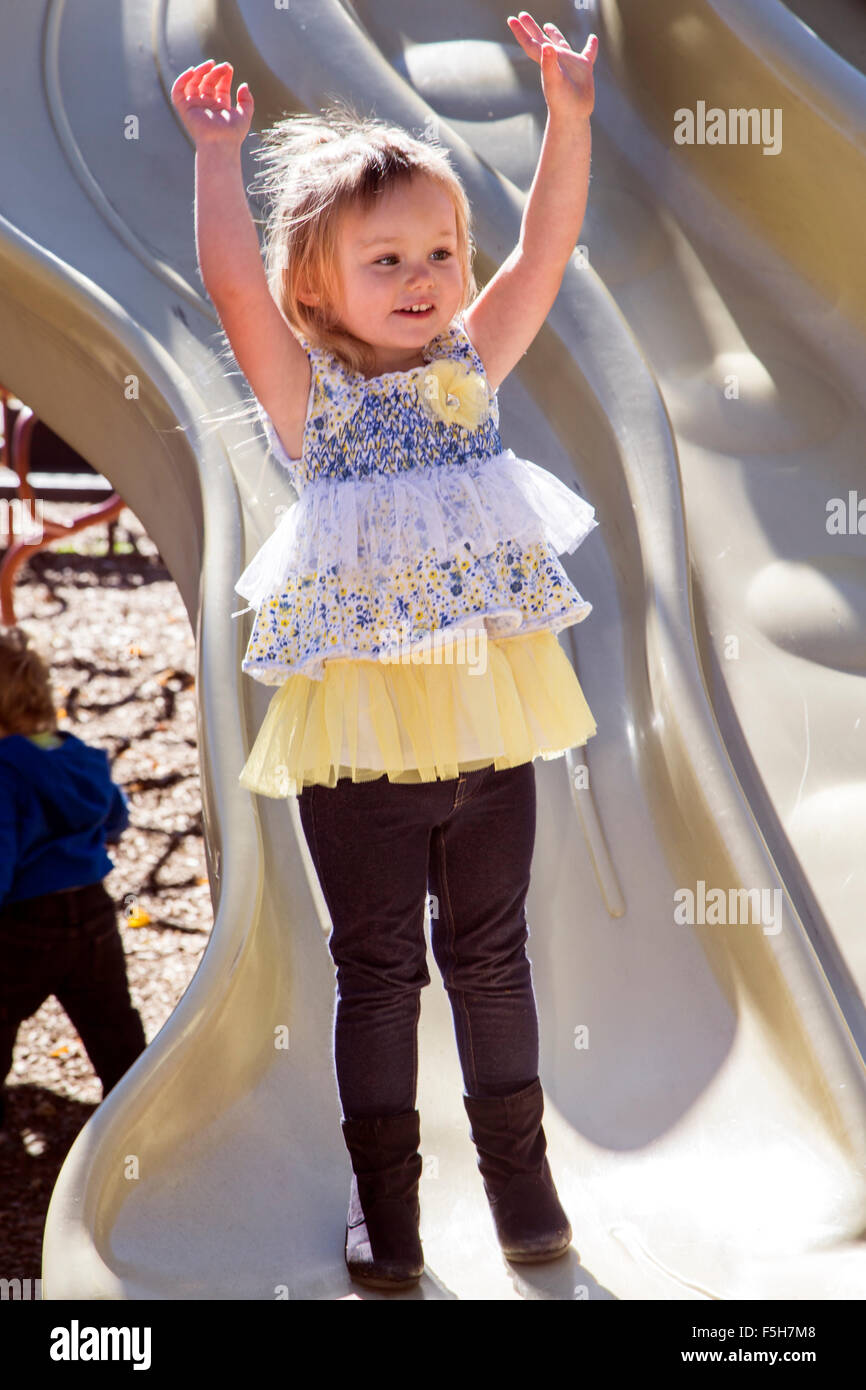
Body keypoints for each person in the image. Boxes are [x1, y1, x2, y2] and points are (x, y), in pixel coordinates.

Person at [172, 10, 599, 1290]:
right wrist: (211, 154)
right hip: (365, 758)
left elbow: (546, 246)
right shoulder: (315, 403)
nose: (424, 277)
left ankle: (526, 1204)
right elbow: (235, 286)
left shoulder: (471, 362)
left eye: (437, 252)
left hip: (482, 735)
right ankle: (393, 1219)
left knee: (486, 957)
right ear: (321, 288)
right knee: (383, 975)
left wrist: (566, 120)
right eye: (385, 260)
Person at [0, 625, 147, 1132]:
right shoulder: (79, 756)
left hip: (24, 923)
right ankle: (139, 1120)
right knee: (113, 1026)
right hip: (93, 914)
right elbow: (115, 815)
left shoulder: (5, 771)